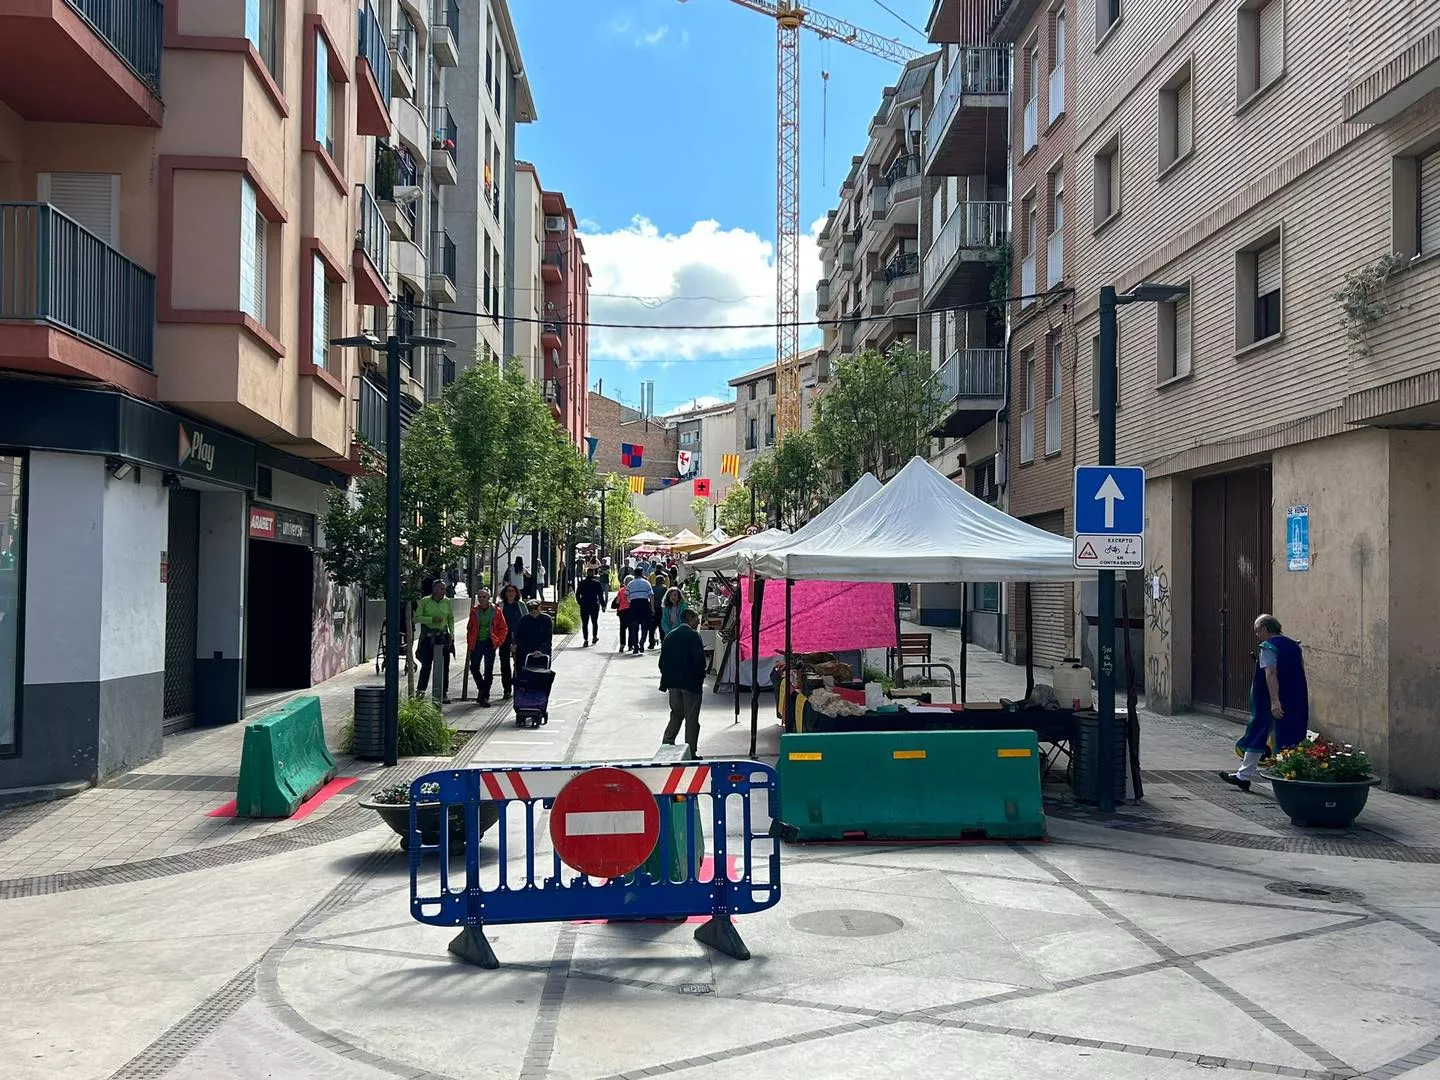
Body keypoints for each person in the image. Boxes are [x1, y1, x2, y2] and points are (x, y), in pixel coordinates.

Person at [1221, 614, 1310, 792]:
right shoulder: (1293, 645)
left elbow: (1271, 673)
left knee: (1259, 732)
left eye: (1257, 630)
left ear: (1264, 629)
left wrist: (1275, 701)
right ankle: (1248, 775)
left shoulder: (1268, 647)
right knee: (1290, 734)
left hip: (1270, 698)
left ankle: (1279, 780)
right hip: (1296, 697)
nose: (1256, 635)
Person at [659, 609, 707, 760]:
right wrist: (701, 676)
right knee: (692, 719)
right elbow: (699, 661)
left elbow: (662, 662)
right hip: (690, 684)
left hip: (673, 684)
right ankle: (691, 752)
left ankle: (666, 744)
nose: (698, 622)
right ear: (689, 618)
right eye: (696, 619)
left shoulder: (670, 635)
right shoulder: (694, 636)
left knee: (676, 715)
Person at [465, 589, 508, 706]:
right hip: (477, 642)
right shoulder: (475, 611)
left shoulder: (496, 611)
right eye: (479, 597)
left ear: (488, 598)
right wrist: (470, 640)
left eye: (484, 597)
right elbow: (470, 627)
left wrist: (498, 641)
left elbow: (503, 628)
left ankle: (485, 696)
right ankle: (482, 688)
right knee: (474, 667)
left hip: (490, 642)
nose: (481, 599)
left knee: (488, 670)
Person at [414, 578, 454, 703]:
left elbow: (450, 618)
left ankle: (443, 693)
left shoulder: (447, 602)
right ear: (434, 589)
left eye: (444, 588)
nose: (443, 591)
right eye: (441, 588)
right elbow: (416, 618)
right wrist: (431, 620)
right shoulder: (425, 601)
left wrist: (452, 634)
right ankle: (420, 692)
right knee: (426, 666)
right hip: (428, 637)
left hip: (442, 637)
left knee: (444, 666)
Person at [497, 582, 526, 699]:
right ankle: (507, 689)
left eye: (512, 591)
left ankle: (518, 686)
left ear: (516, 593)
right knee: (504, 664)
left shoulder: (521, 605)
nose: (510, 594)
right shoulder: (500, 606)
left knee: (519, 663)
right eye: (508, 591)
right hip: (504, 638)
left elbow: (525, 620)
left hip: (518, 638)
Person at [514, 598, 554, 666]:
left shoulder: (546, 619)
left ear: (539, 608)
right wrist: (516, 646)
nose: (533, 611)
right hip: (526, 651)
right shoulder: (523, 620)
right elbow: (519, 637)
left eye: (535, 608)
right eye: (530, 609)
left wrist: (541, 650)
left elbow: (547, 638)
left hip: (542, 651)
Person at [625, 571, 655, 655]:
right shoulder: (646, 583)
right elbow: (651, 596)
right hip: (644, 605)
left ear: (634, 574)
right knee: (644, 627)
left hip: (634, 606)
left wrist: (630, 600)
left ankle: (636, 646)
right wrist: (652, 608)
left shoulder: (630, 584)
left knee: (634, 628)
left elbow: (626, 595)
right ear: (642, 574)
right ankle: (642, 642)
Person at [576, 567, 604, 647]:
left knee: (585, 623)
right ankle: (594, 637)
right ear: (593, 573)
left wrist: (580, 602)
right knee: (594, 622)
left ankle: (586, 639)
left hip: (584, 605)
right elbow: (600, 595)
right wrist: (603, 605)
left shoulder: (582, 583)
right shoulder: (597, 583)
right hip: (594, 605)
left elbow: (578, 594)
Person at [613, 577, 632, 652]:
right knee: (631, 628)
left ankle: (622, 644)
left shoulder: (621, 590)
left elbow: (617, 602)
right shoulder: (633, 590)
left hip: (622, 611)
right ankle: (630, 645)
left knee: (622, 628)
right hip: (631, 610)